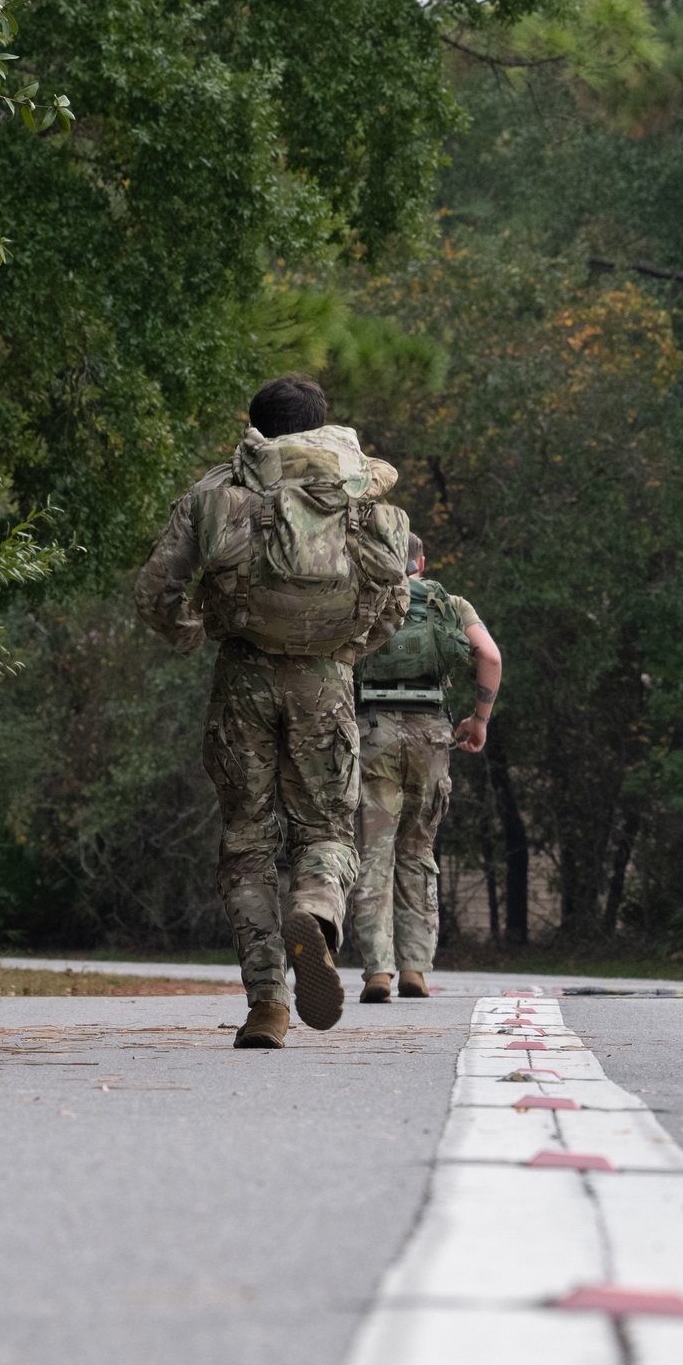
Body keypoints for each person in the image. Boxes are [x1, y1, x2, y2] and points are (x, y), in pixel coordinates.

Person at [135, 374, 409, 1048]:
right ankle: (315, 911)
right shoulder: (362, 497)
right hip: (325, 679)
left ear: (256, 426)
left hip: (244, 679)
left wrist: (190, 632)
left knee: (246, 841)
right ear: (322, 428)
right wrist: (347, 649)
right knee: (327, 830)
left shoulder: (216, 493)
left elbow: (155, 591)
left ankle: (267, 1005)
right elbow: (397, 599)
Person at [349, 533, 502, 1001]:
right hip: (431, 734)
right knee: (417, 849)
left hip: (374, 731)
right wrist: (479, 719)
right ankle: (415, 967)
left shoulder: (364, 597)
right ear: (422, 561)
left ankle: (378, 970)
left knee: (375, 852)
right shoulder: (449, 603)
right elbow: (490, 656)